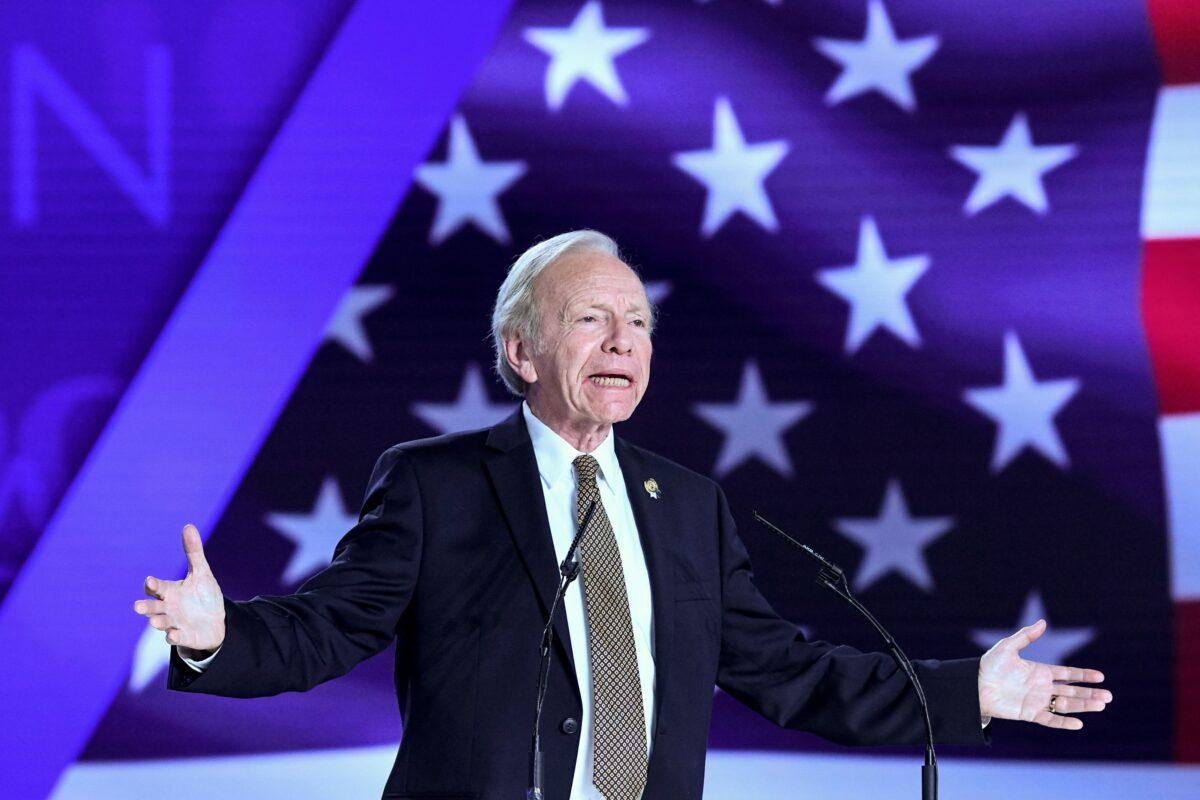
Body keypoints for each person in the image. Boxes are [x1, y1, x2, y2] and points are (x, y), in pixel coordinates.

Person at [134, 230, 1112, 800]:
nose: (625, 339)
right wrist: (222, 636)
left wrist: (962, 694)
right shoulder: (438, 483)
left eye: (639, 320)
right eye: (591, 318)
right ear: (522, 352)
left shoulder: (687, 504)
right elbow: (332, 624)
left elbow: (789, 672)